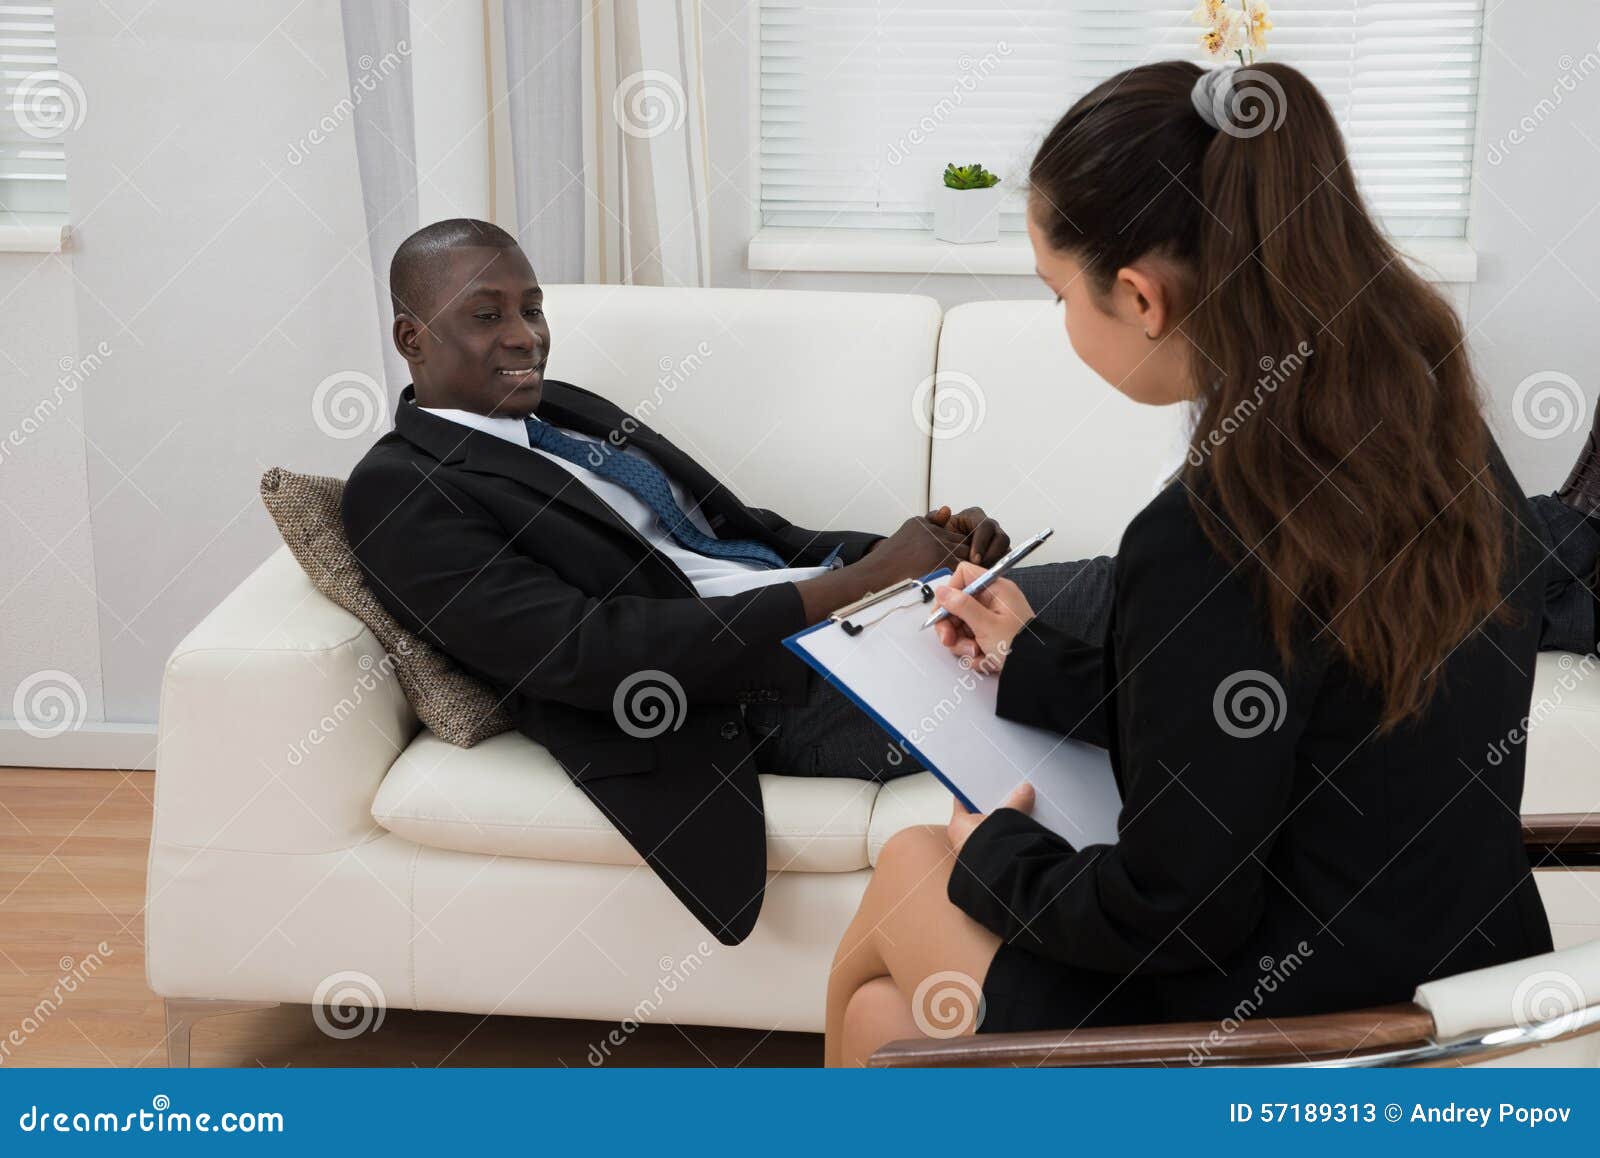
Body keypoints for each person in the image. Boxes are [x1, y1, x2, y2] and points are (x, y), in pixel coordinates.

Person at [823, 60, 1563, 1066]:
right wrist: (1032, 659)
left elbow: (1174, 914)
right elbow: (1276, 710)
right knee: (882, 1025)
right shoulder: (1431, 429)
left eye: (1056, 296)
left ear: (1138, 296)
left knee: (916, 863)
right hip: (1454, 984)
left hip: (1290, 1029)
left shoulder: (1206, 531)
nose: (1063, 324)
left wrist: (993, 846)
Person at [341, 218, 1117, 945]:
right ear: (412, 336)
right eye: (487, 316)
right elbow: (587, 653)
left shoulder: (563, 411)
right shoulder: (399, 491)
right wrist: (869, 583)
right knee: (1127, 598)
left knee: (1119, 623)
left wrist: (918, 552)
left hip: (848, 623)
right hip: (754, 697)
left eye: (533, 309)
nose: (525, 337)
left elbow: (749, 536)